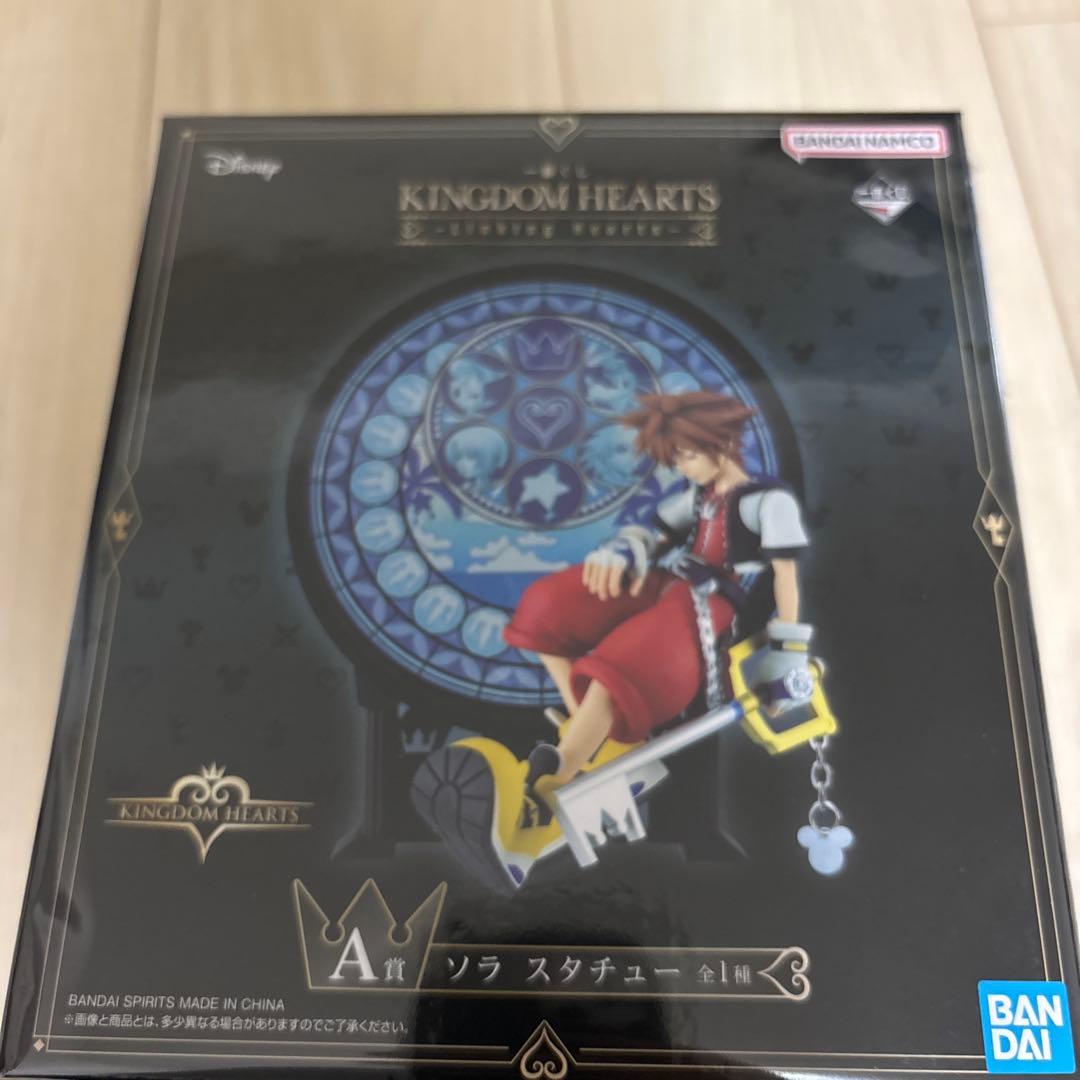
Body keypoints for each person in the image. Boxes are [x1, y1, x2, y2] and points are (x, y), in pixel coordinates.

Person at [503, 390, 813, 803]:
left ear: (721, 443)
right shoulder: (701, 496)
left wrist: (789, 650)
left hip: (713, 604)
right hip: (670, 581)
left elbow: (786, 575)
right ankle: (587, 730)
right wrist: (624, 550)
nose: (682, 467)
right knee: (549, 607)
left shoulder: (768, 502)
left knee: (626, 662)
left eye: (688, 456)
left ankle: (556, 778)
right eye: (676, 459)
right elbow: (657, 536)